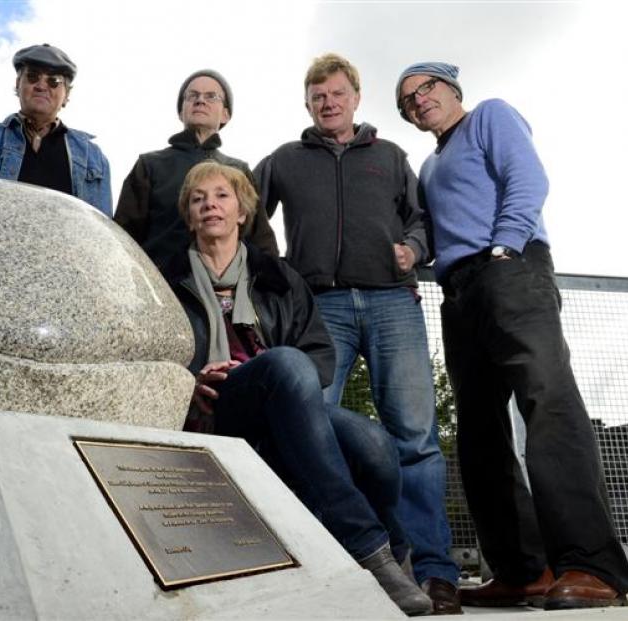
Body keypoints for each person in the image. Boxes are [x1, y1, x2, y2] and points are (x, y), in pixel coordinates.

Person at [397, 61, 628, 610]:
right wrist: (411, 255)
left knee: (547, 402)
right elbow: (433, 230)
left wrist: (505, 246)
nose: (418, 101)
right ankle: (523, 570)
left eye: (425, 88)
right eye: (407, 100)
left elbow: (527, 180)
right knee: (477, 431)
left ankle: (593, 565)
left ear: (452, 88)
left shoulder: (491, 117)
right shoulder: (429, 166)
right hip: (459, 292)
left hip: (512, 270)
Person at [163, 161, 432, 616]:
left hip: (286, 400)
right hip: (218, 406)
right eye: (198, 198)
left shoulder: (278, 277)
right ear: (189, 217)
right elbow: (151, 353)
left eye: (222, 195)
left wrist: (289, 382)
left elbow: (320, 352)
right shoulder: (165, 279)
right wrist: (187, 380)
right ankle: (369, 550)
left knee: (373, 443)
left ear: (242, 212)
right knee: (285, 362)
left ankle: (395, 551)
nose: (210, 204)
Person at [254, 53, 460, 614]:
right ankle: (325, 560)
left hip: (394, 302)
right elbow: (249, 214)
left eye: (338, 93)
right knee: (310, 426)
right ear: (307, 103)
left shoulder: (391, 157)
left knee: (415, 438)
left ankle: (435, 574)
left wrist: (413, 250)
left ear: (355, 98)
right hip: (320, 309)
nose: (329, 102)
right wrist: (281, 273)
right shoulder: (285, 160)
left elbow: (423, 219)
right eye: (318, 95)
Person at [115, 69, 278, 270]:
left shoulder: (239, 170)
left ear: (226, 114)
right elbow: (122, 237)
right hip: (163, 288)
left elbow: (261, 240)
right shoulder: (150, 165)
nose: (200, 101)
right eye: (192, 96)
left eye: (211, 96)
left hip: (225, 291)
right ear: (181, 111)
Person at [0, 43, 112, 216]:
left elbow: (103, 230)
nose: (41, 86)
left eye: (54, 81)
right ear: (18, 84)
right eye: (32, 77)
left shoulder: (93, 157)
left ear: (66, 95)